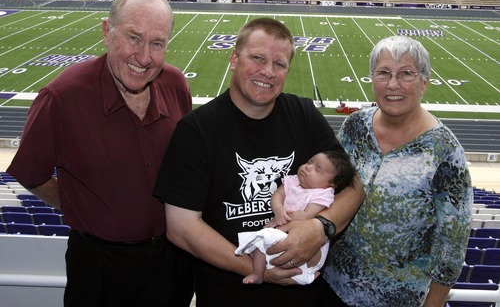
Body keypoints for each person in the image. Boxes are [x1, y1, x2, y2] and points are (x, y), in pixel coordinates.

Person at [153, 17, 365, 307]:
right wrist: (256, 269)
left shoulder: (304, 115)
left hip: (305, 298)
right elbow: (181, 228)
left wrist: (320, 228)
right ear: (234, 58)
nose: (268, 71)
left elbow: (353, 186)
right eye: (257, 58)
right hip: (229, 295)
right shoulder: (197, 130)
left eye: (279, 64)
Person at [7, 0, 194, 307]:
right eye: (134, 38)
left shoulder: (175, 85)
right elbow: (29, 171)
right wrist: (76, 204)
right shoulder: (62, 97)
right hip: (101, 267)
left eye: (157, 43)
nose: (145, 56)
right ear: (107, 32)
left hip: (172, 260)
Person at [321, 35, 473, 306]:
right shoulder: (354, 127)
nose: (393, 84)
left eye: (406, 73)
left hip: (398, 299)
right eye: (383, 73)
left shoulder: (445, 151)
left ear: (424, 82)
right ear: (371, 79)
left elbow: (452, 246)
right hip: (331, 287)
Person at [235, 150, 356, 285]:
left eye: (317, 170)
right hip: (281, 232)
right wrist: (279, 210)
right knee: (260, 242)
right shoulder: (293, 180)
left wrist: (284, 217)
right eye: (309, 162)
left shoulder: (323, 194)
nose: (307, 167)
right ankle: (258, 274)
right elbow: (277, 195)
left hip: (305, 241)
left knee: (268, 239)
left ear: (331, 185)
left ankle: (305, 274)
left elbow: (306, 215)